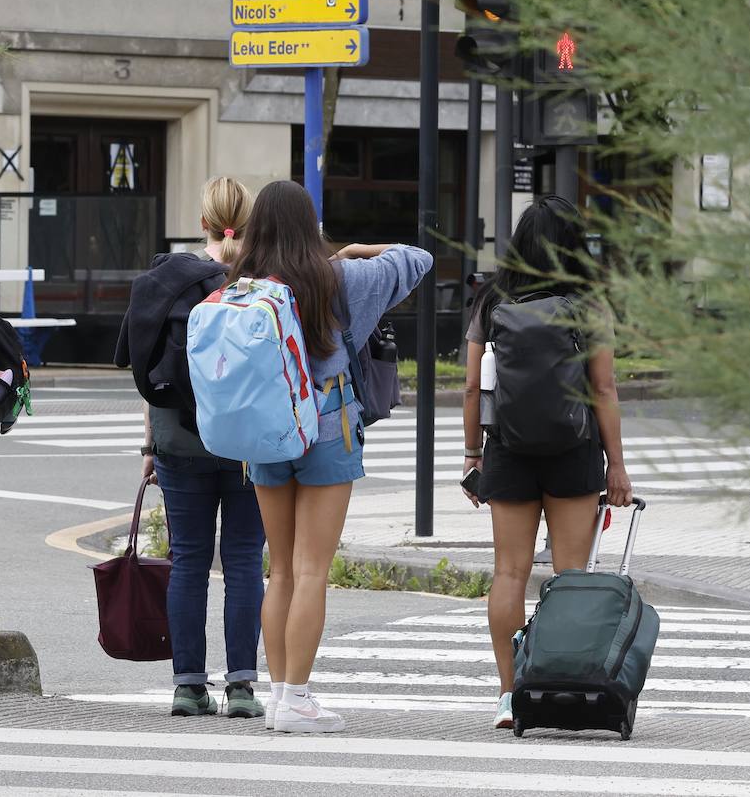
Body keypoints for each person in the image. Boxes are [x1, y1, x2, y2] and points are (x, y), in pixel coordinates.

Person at [233, 181, 432, 734]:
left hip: (265, 432)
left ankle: (278, 695)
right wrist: (356, 250)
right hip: (326, 426)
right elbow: (418, 257)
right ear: (308, 225)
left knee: (279, 570)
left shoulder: (241, 286)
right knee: (312, 570)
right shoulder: (340, 278)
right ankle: (297, 698)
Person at [459, 194, 633, 731]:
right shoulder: (588, 304)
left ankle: (509, 695)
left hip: (508, 452)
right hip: (573, 451)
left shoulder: (492, 299)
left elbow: (473, 388)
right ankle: (564, 686)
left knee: (508, 572)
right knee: (570, 578)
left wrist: (473, 454)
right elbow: (603, 389)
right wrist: (616, 465)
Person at [121, 176, 268, 718]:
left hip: (179, 437)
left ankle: (188, 686)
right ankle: (242, 688)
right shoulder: (265, 282)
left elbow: (147, 373)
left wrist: (149, 444)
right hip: (248, 442)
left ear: (203, 222)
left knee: (188, 559)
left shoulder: (169, 279)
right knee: (244, 559)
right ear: (249, 223)